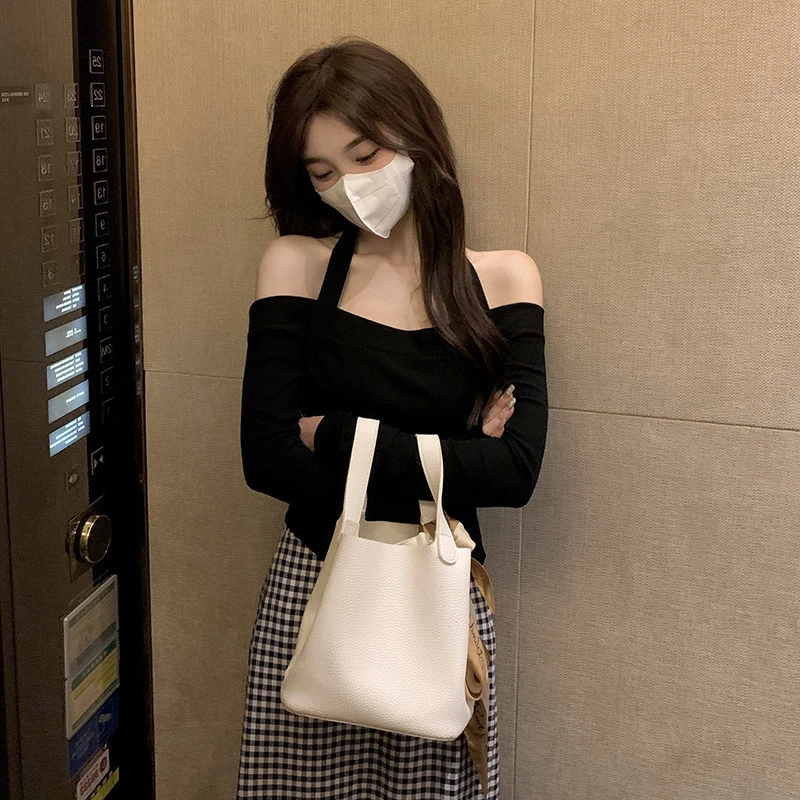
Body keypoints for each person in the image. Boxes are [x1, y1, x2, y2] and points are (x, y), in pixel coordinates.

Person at [237, 36, 548, 800]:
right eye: (322, 172)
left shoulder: (504, 279)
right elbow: (266, 457)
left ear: (417, 138)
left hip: (440, 594)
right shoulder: (297, 263)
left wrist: (335, 434)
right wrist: (452, 455)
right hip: (314, 583)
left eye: (366, 155)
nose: (349, 186)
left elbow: (514, 472)